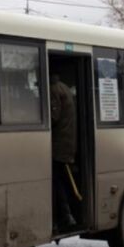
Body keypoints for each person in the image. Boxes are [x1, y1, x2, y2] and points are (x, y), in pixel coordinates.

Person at [50, 74, 78, 231]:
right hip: (66, 143)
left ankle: (65, 217)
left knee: (56, 183)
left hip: (58, 145)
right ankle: (67, 216)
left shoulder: (54, 89)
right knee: (60, 181)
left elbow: (54, 117)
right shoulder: (64, 87)